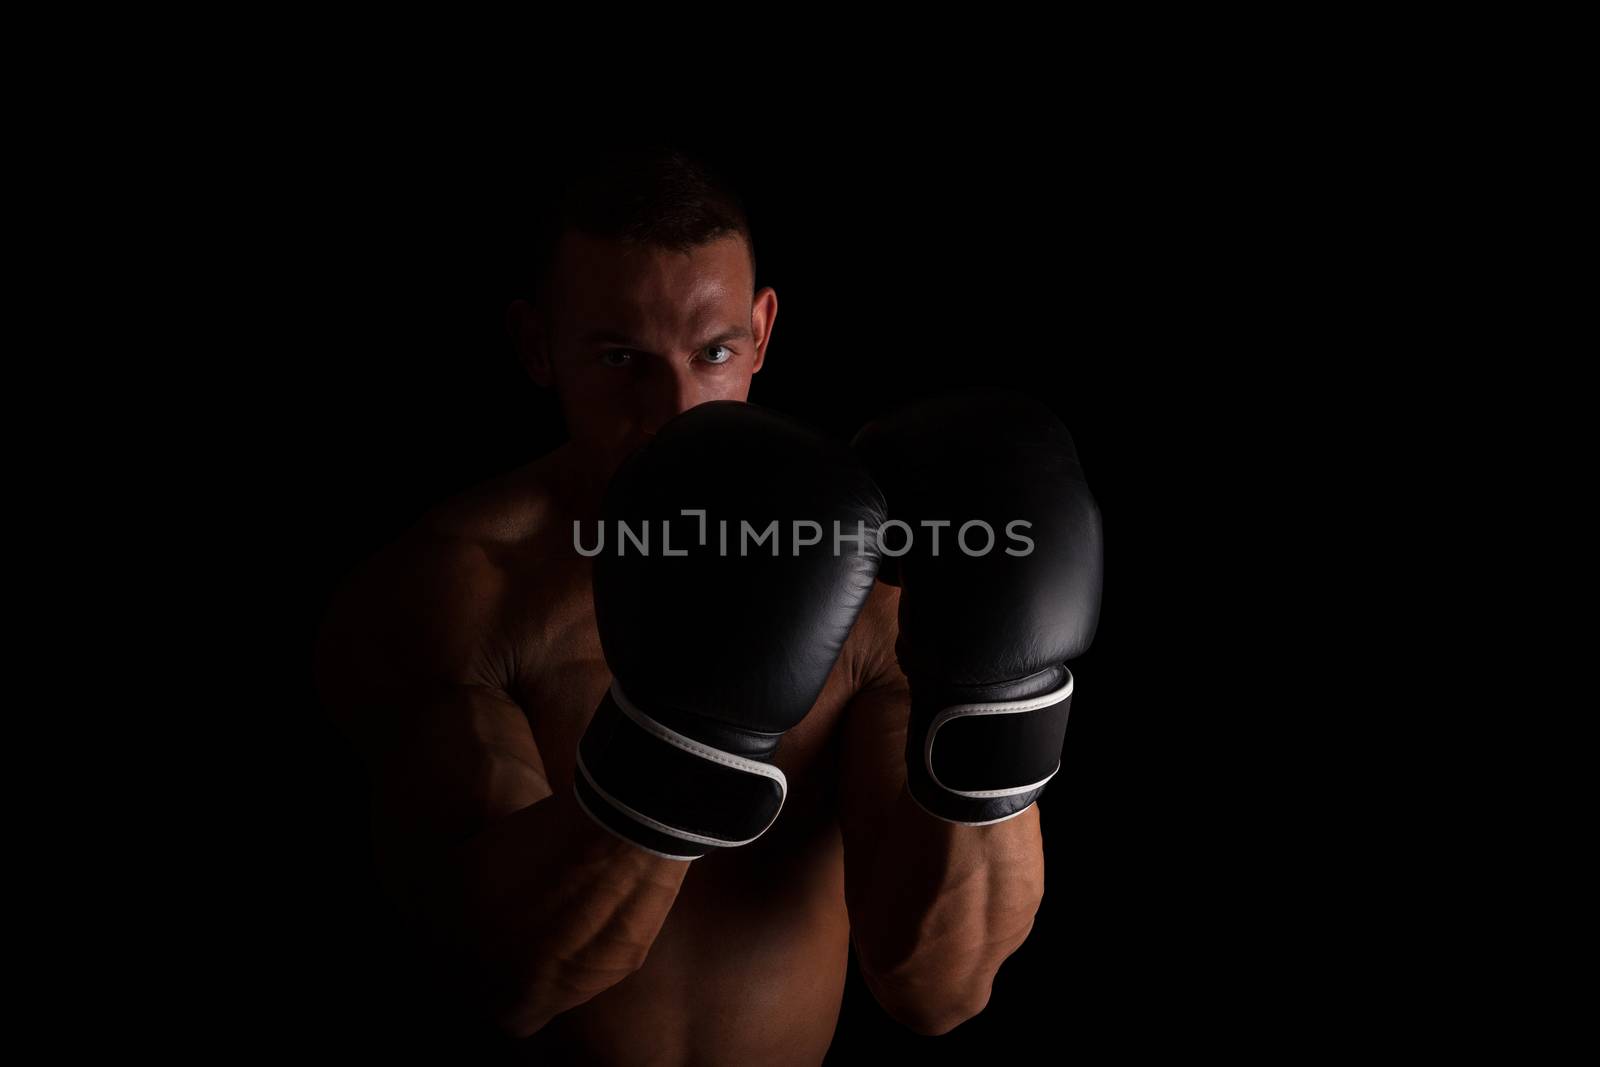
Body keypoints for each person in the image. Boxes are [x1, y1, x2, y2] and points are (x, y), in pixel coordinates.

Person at [313, 143, 1101, 1063]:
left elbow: (939, 988)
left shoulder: (870, 588)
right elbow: (503, 984)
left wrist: (1001, 715)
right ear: (539, 347)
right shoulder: (457, 593)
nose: (677, 413)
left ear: (762, 334)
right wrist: (682, 736)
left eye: (714, 351)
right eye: (620, 359)